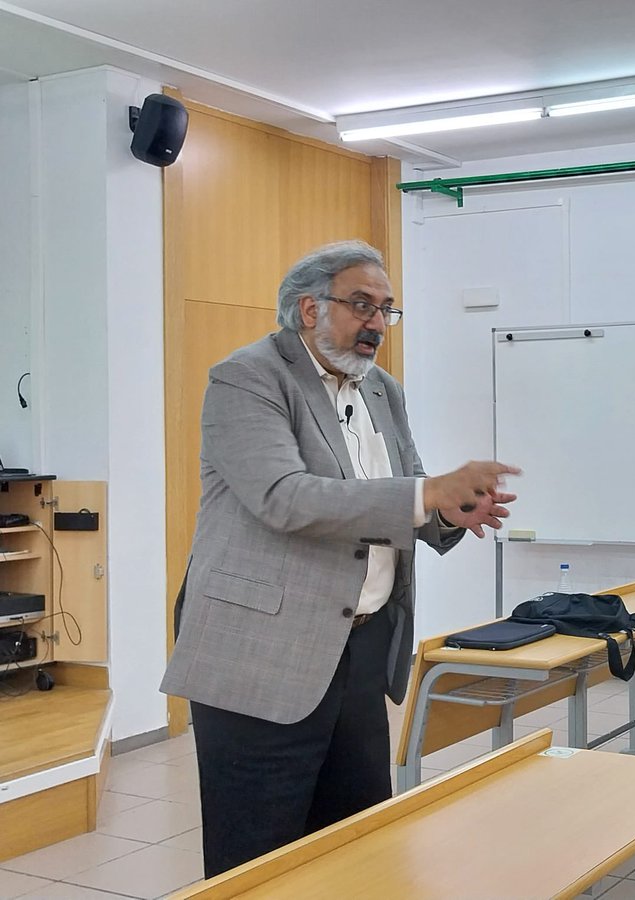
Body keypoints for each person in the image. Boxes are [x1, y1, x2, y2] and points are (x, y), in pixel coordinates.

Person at [160, 240, 520, 878]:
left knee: (355, 843)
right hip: (260, 654)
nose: (378, 323)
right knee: (258, 858)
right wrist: (425, 493)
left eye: (386, 309)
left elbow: (404, 490)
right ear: (308, 309)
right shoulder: (248, 377)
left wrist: (447, 511)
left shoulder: (382, 389)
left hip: (359, 650)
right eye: (362, 305)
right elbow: (283, 498)